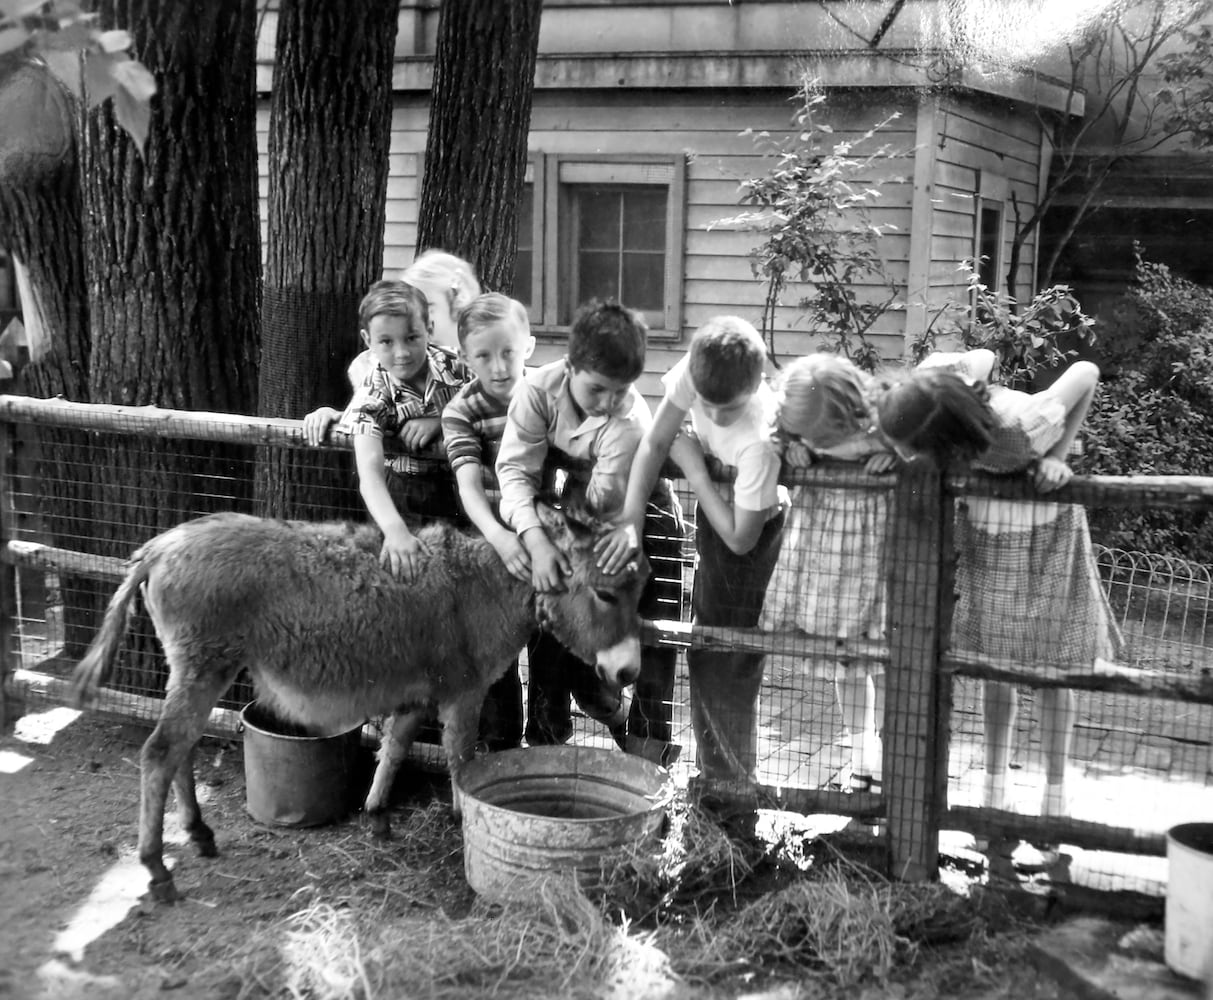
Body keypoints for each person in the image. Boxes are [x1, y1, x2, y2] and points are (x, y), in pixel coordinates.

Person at [878, 349, 1123, 817]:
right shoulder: (929, 388)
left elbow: (1087, 372)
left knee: (1051, 669)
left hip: (1044, 533)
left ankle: (1055, 788)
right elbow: (984, 355)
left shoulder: (1021, 426)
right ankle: (994, 781)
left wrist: (1055, 454)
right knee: (995, 664)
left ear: (949, 440)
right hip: (987, 532)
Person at [496, 299, 683, 766]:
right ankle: (545, 750)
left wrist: (554, 527)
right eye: (597, 389)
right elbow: (515, 473)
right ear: (570, 365)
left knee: (652, 647)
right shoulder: (537, 391)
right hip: (571, 524)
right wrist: (538, 540)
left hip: (642, 526)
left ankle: (649, 765)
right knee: (556, 622)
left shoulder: (630, 420)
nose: (608, 402)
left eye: (620, 391)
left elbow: (604, 504)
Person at [599, 316, 784, 784]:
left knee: (726, 656)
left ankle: (730, 785)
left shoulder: (758, 442)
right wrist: (630, 526)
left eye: (730, 408)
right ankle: (718, 777)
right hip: (721, 512)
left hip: (752, 533)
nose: (716, 417)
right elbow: (655, 443)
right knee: (707, 648)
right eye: (707, 405)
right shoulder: (696, 369)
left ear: (756, 386)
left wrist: (697, 473)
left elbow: (742, 539)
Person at [757, 353, 899, 790]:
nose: (814, 441)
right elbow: (772, 440)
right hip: (829, 556)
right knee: (846, 664)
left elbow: (922, 452)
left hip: (876, 553)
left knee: (887, 658)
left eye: (820, 436)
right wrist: (792, 448)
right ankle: (863, 763)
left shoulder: (884, 424)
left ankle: (895, 761)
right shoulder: (795, 427)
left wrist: (894, 458)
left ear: (847, 413)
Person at [440, 292, 535, 751]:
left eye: (508, 353)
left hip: (547, 539)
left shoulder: (548, 394)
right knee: (498, 649)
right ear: (464, 357)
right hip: (496, 545)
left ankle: (551, 744)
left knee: (555, 646)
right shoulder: (463, 411)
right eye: (484, 355)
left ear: (528, 348)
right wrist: (498, 537)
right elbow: (468, 486)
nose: (499, 367)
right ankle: (503, 751)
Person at [334, 279, 467, 581]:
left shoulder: (457, 366)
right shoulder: (373, 393)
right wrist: (395, 531)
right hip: (398, 495)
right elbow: (370, 474)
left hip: (451, 485)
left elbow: (492, 397)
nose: (402, 352)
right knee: (406, 571)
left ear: (429, 329)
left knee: (453, 569)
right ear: (368, 340)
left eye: (411, 338)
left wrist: (444, 419)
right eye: (386, 342)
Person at [303, 250, 481, 443]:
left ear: (457, 307)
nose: (412, 320)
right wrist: (336, 418)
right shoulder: (380, 365)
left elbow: (501, 413)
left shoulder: (477, 362)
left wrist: (441, 422)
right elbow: (376, 413)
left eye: (428, 307)